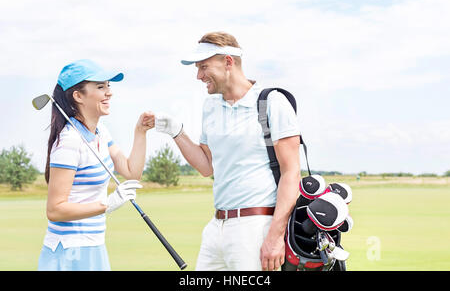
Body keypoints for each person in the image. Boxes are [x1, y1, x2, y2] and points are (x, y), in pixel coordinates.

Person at [155, 32, 301, 271]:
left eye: (204, 67)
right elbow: (206, 166)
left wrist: (275, 237)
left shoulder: (272, 102)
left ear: (228, 62)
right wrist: (176, 132)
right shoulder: (210, 106)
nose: (199, 76)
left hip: (256, 227)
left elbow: (291, 173)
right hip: (216, 227)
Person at [38, 59, 155, 271]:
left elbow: (131, 172)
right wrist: (107, 205)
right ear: (78, 96)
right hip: (69, 251)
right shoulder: (69, 142)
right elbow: (55, 210)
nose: (109, 92)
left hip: (94, 245)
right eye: (100, 87)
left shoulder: (101, 133)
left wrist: (140, 132)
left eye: (108, 86)